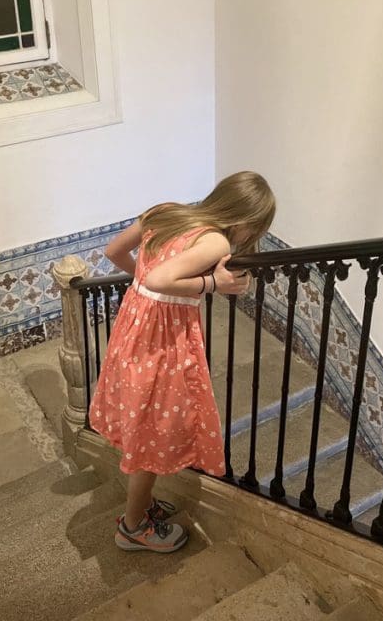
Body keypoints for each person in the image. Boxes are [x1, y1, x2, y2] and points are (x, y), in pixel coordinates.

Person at [89, 171, 276, 553]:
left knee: (144, 420)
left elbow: (115, 253)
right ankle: (132, 527)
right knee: (153, 430)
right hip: (161, 345)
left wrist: (144, 286)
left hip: (133, 330)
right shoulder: (216, 241)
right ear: (246, 222)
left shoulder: (167, 211)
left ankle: (140, 506)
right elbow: (160, 278)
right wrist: (212, 285)